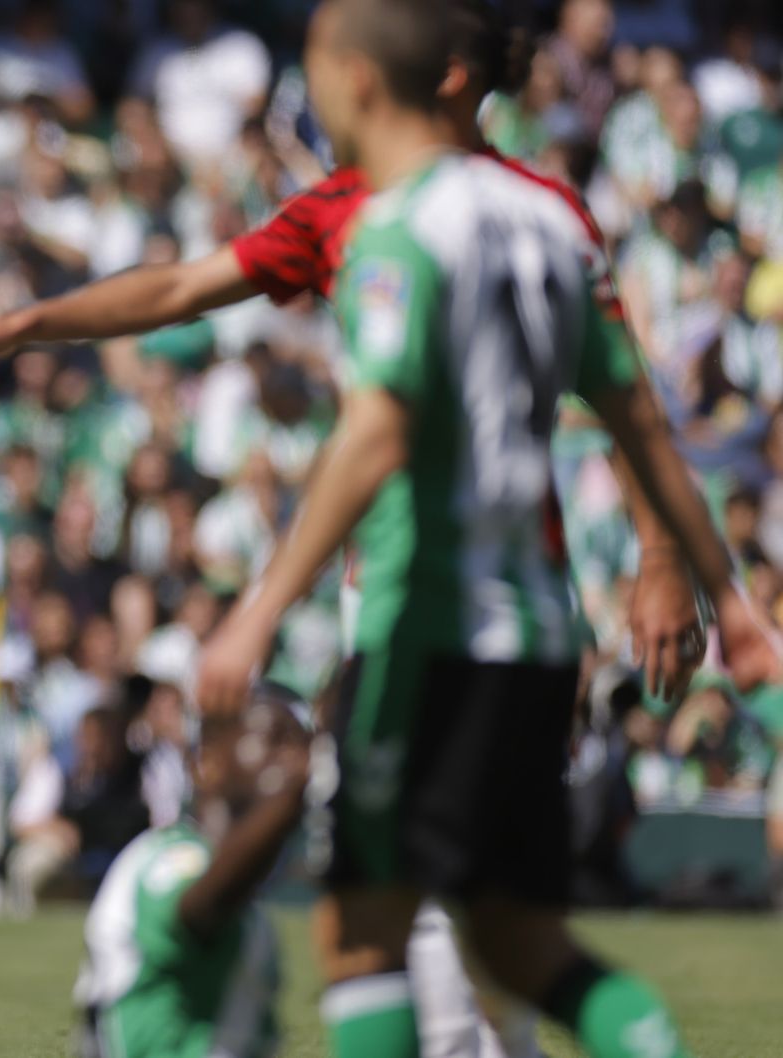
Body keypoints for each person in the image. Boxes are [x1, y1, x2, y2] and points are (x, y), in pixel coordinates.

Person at [0, 3, 702, 1053]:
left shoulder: (402, 215)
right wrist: (21, 324)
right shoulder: (516, 209)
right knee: (494, 924)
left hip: (428, 600)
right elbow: (185, 284)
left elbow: (404, 423)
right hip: (519, 606)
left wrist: (259, 608)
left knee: (384, 917)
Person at [193, 3, 780, 1057]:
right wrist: (724, 596)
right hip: (538, 637)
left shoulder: (397, 226)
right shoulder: (550, 221)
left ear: (356, 83)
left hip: (425, 631)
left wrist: (259, 607)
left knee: (361, 932)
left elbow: (375, 430)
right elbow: (639, 420)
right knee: (520, 943)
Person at [74, 681, 309, 1058]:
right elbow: (200, 909)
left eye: (303, 745)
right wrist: (286, 799)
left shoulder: (253, 914)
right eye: (275, 739)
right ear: (206, 763)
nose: (296, 759)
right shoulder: (165, 858)